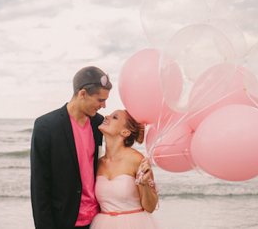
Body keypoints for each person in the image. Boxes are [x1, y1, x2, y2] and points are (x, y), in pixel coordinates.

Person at [30, 66, 112, 229]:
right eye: (100, 100)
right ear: (82, 94)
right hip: (64, 221)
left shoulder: (99, 123)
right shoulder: (46, 126)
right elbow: (40, 186)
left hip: (98, 220)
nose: (103, 106)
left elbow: (114, 155)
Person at [90, 109, 161, 229]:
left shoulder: (136, 159)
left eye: (114, 117)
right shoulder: (98, 163)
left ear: (125, 132)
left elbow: (150, 207)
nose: (106, 116)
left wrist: (144, 182)